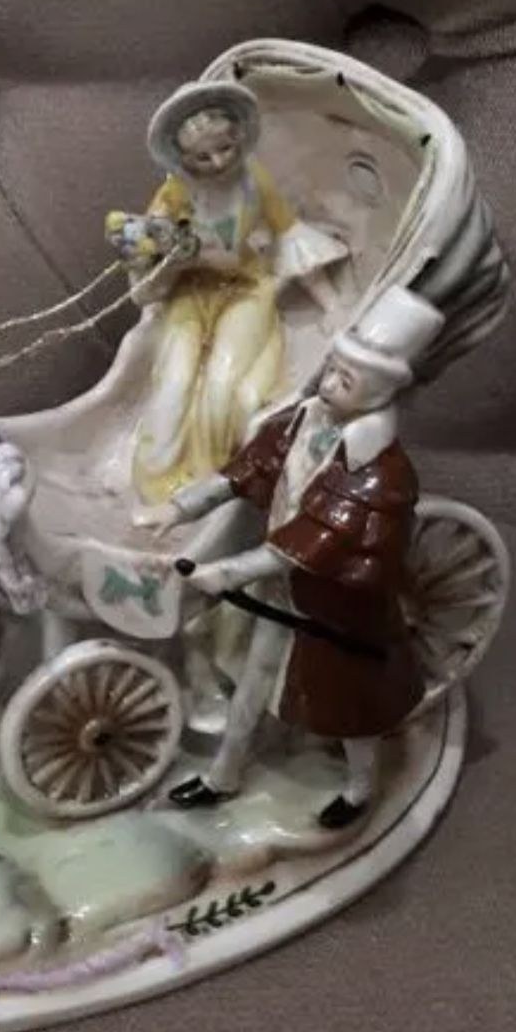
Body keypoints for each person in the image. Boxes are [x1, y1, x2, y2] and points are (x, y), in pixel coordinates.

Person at [135, 286, 442, 828]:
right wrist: (179, 509)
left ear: (379, 392)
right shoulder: (305, 421)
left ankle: (360, 786)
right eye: (332, 370)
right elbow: (246, 470)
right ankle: (224, 776)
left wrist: (228, 572)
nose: (329, 383)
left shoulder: (380, 471)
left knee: (351, 709)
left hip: (338, 610)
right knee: (253, 682)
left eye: (347, 380)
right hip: (282, 594)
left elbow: (318, 540)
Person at [107, 80, 348, 507]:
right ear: (182, 158)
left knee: (222, 383)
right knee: (174, 383)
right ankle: (159, 483)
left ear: (240, 138)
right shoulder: (175, 194)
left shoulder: (254, 182)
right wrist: (163, 253)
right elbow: (148, 261)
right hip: (191, 293)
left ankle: (207, 482)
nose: (218, 161)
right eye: (202, 157)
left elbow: (292, 238)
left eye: (226, 148)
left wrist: (331, 304)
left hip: (245, 289)